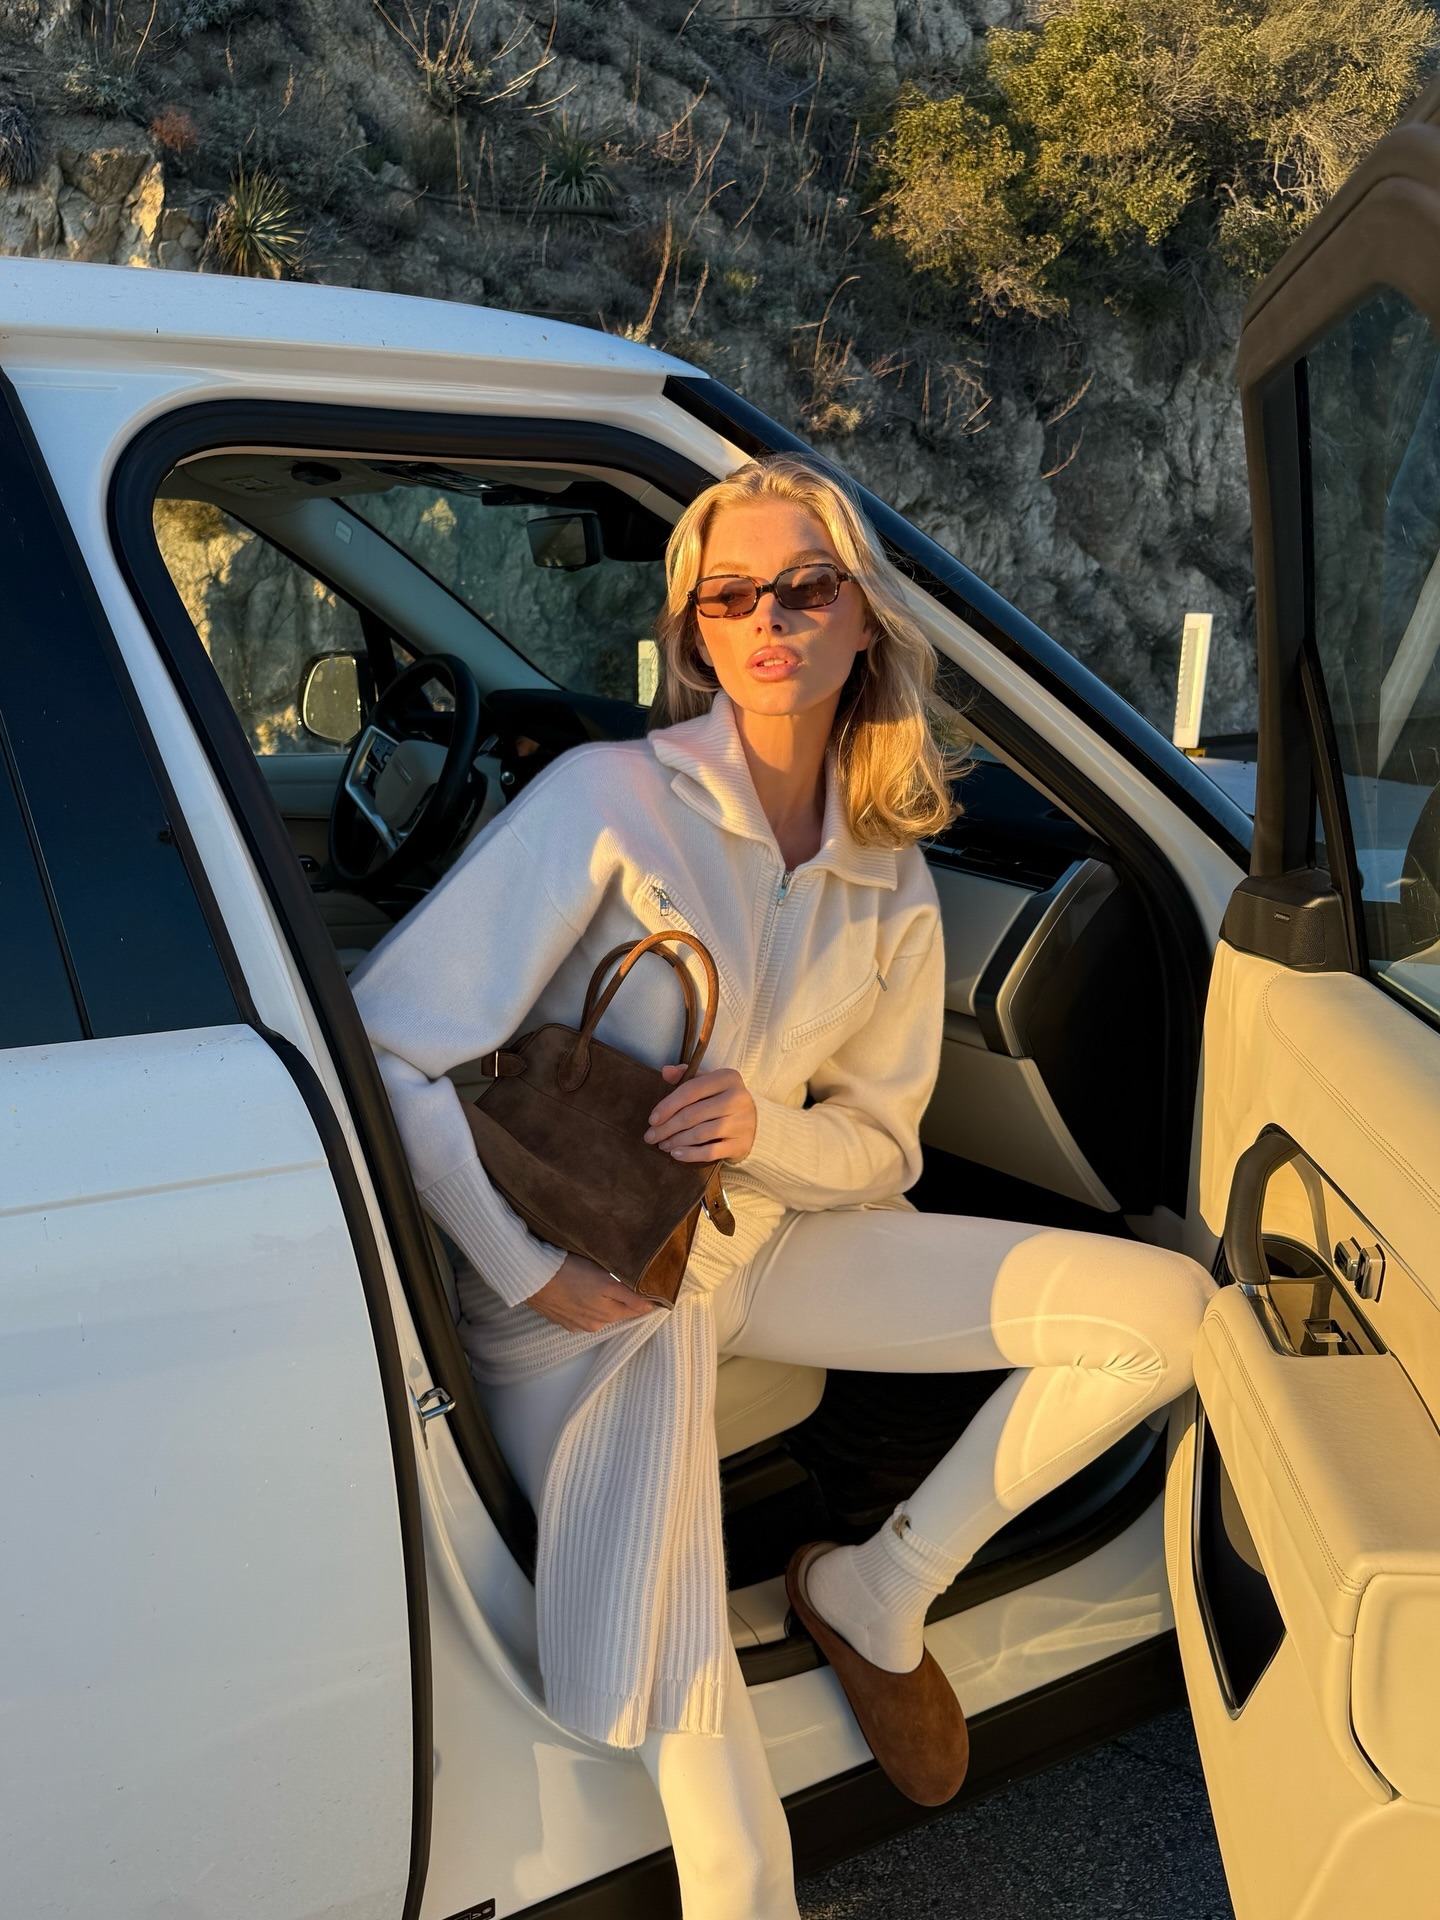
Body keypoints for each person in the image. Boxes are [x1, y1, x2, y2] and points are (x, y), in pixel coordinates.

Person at [353, 454, 1213, 1920]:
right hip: (601, 1280)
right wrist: (524, 1270)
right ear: (694, 629)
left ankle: (878, 1590)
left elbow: (883, 1144)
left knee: (1168, 1309)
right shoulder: (611, 798)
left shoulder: (890, 869)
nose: (769, 619)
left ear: (863, 617)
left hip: (770, 1238)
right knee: (710, 1760)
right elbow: (387, 1043)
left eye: (805, 589)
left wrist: (759, 1127)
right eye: (731, 594)